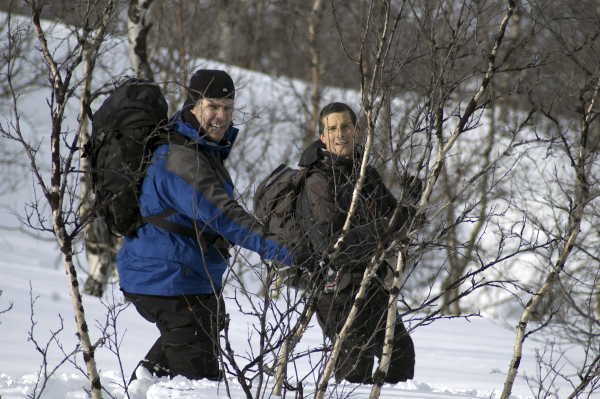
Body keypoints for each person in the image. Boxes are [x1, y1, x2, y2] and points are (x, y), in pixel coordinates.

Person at [117, 70, 316, 381]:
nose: (222, 117)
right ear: (194, 104)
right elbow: (225, 216)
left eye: (228, 107)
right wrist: (292, 253)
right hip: (165, 279)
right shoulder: (181, 159)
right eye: (213, 106)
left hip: (180, 277)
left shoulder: (196, 149)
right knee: (198, 381)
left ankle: (146, 381)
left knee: (208, 323)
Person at [296, 102, 417, 384]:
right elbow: (332, 247)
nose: (341, 134)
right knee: (355, 371)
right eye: (333, 128)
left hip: (370, 282)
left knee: (400, 356)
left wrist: (410, 205)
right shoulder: (318, 181)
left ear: (357, 130)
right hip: (336, 290)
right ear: (323, 137)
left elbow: (394, 219)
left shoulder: (366, 173)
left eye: (346, 126)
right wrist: (386, 228)